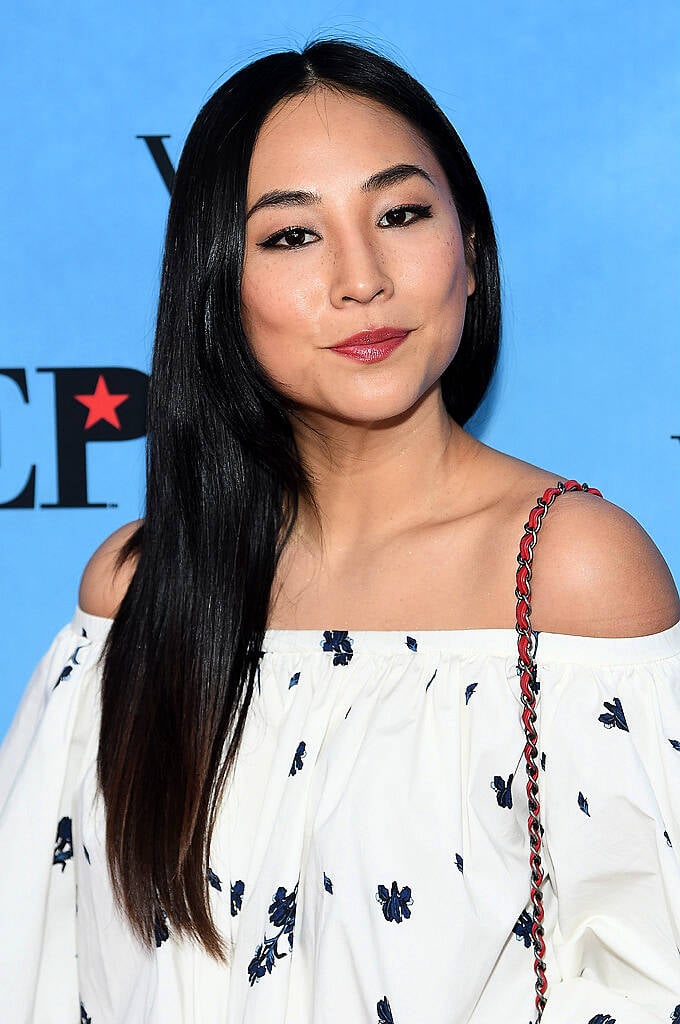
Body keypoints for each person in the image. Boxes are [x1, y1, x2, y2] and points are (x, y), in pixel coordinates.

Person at [1, 38, 679, 1024]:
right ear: (217, 289)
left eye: (400, 215)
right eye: (290, 237)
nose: (360, 279)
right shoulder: (137, 589)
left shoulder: (568, 571)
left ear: (472, 254)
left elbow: (648, 976)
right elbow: (42, 967)